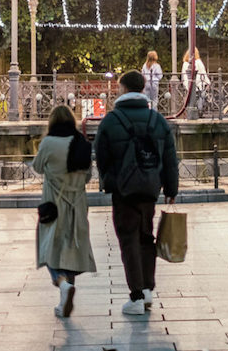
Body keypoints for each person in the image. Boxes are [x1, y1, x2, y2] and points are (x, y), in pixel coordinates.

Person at [95, 70, 179, 316]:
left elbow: (101, 156)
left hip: (124, 190)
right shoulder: (157, 120)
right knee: (146, 237)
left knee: (128, 239)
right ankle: (148, 288)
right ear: (143, 89)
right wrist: (170, 188)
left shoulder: (111, 121)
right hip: (150, 189)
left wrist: (111, 180)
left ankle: (137, 296)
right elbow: (170, 158)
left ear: (122, 88)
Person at [31, 105, 97, 318]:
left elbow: (37, 167)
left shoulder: (48, 143)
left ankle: (62, 283)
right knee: (71, 252)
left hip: (54, 205)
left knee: (47, 248)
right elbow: (88, 176)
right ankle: (64, 299)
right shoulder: (81, 143)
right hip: (77, 205)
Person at [180, 48, 209, 115]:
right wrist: (208, 82)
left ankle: (191, 111)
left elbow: (183, 75)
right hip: (199, 84)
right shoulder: (198, 62)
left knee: (191, 98)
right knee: (200, 97)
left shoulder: (185, 63)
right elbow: (203, 72)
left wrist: (185, 84)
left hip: (188, 85)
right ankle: (199, 111)